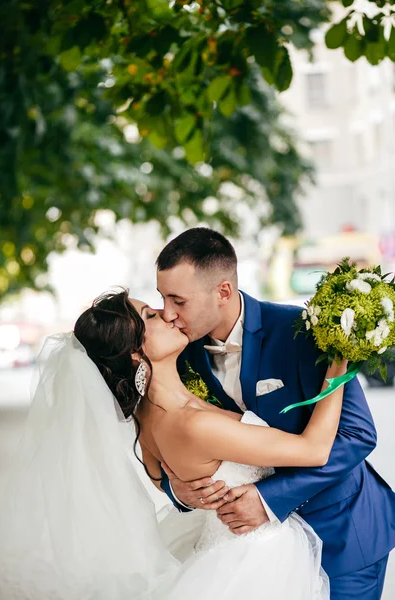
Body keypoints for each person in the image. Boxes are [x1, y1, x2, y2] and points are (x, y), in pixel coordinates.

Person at [0, 289, 347, 600]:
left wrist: (175, 487)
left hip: (220, 549)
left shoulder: (146, 417)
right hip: (258, 558)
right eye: (150, 315)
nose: (166, 314)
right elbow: (313, 450)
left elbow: (156, 474)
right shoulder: (192, 424)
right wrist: (339, 360)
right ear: (136, 354)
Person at [156, 227, 395, 600]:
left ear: (223, 291)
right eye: (162, 299)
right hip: (253, 555)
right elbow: (164, 437)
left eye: (178, 301)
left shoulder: (300, 332)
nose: (168, 314)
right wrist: (179, 489)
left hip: (341, 536)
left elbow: (357, 435)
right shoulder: (178, 354)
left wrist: (269, 499)